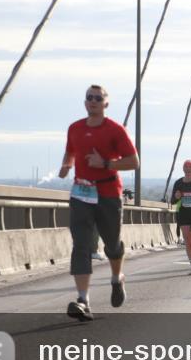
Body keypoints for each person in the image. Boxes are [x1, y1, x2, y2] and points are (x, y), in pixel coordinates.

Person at [58, 84, 139, 321]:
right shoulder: (74, 128)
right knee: (81, 245)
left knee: (112, 245)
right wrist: (67, 165)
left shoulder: (116, 130)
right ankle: (83, 300)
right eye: (89, 98)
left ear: (106, 103)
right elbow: (71, 151)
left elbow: (134, 162)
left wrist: (105, 163)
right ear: (85, 103)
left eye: (97, 98)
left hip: (108, 193)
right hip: (81, 194)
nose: (92, 101)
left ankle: (117, 278)